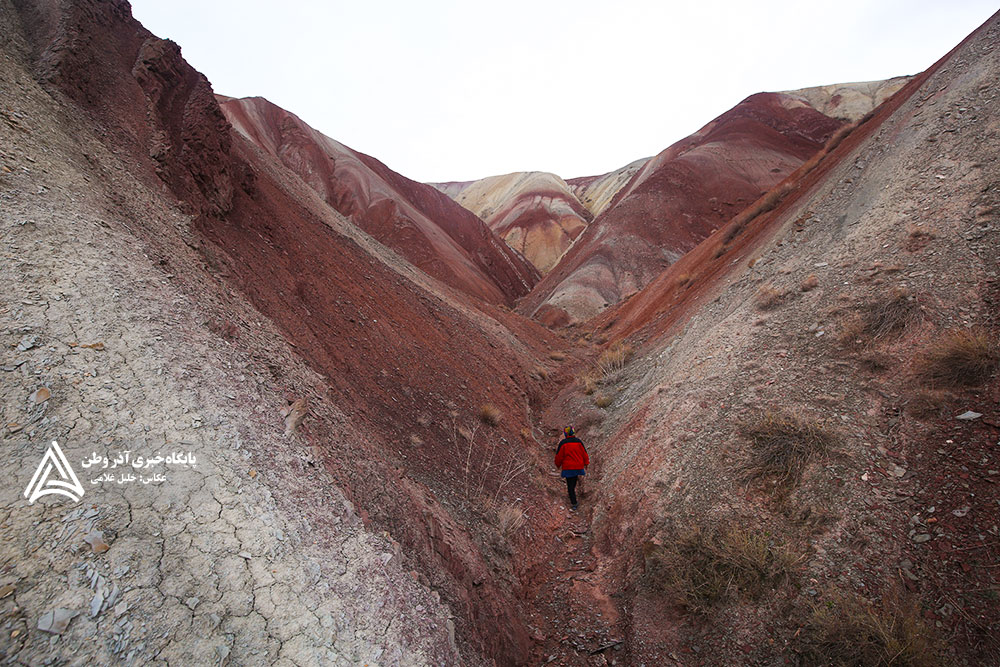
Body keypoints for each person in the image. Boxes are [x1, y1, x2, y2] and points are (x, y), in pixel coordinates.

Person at [554, 426, 589, 510]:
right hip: (578, 467)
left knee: (570, 486)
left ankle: (574, 503)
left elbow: (559, 456)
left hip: (568, 468)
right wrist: (586, 463)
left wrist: (558, 465)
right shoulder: (579, 442)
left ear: (566, 433)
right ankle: (574, 494)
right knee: (573, 482)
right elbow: (584, 453)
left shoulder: (563, 443)